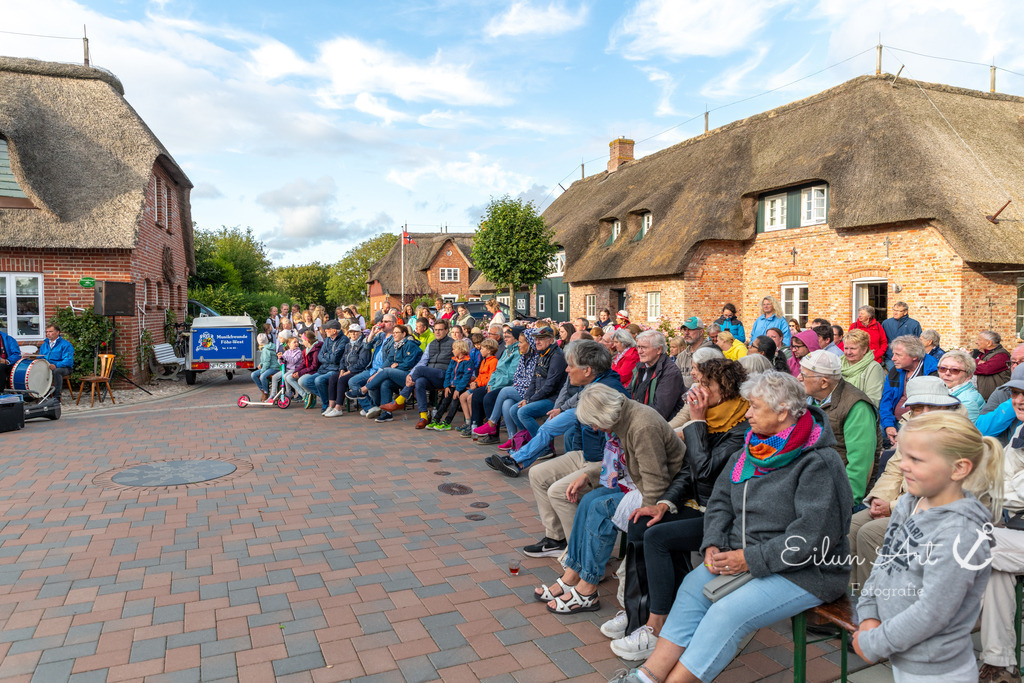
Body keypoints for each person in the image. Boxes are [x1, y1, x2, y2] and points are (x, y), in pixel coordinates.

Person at [610, 372, 853, 683]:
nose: (747, 413)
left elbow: (812, 537)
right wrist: (712, 542)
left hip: (805, 571)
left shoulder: (818, 462)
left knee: (726, 613)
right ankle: (646, 676)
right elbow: (721, 502)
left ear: (782, 412)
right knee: (691, 591)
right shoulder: (752, 449)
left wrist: (748, 559)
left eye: (755, 407)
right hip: (744, 556)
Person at [609, 359, 750, 659]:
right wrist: (663, 503)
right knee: (640, 525)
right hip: (696, 503)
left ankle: (657, 626)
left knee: (658, 538)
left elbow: (706, 471)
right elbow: (687, 472)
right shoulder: (713, 417)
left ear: (723, 390)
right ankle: (638, 611)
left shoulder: (740, 426)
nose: (696, 390)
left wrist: (696, 422)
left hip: (721, 514)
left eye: (705, 385)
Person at [854, 411, 1002, 682]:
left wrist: (874, 643)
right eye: (903, 456)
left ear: (958, 469)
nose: (902, 466)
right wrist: (869, 614)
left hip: (939, 670)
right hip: (904, 657)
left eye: (916, 459)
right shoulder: (911, 502)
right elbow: (885, 561)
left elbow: (933, 612)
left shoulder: (961, 533)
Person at [533, 383, 685, 616]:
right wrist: (589, 476)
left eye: (595, 421)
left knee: (600, 508)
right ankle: (572, 573)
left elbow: (657, 481)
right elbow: (625, 463)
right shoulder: (625, 417)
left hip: (660, 492)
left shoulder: (642, 426)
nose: (595, 427)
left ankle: (587, 588)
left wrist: (644, 518)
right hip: (639, 483)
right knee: (587, 501)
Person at [848, 376, 968, 590]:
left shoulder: (956, 436)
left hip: (935, 513)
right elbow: (895, 468)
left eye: (929, 406)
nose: (923, 412)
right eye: (917, 407)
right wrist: (880, 498)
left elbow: (939, 489)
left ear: (946, 406)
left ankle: (876, 606)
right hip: (902, 502)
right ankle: (849, 600)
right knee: (850, 526)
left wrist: (893, 507)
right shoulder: (912, 427)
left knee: (870, 534)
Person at [487, 340, 628, 478]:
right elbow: (574, 396)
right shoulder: (595, 383)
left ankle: (517, 460)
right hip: (576, 417)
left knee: (545, 430)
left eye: (571, 366)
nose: (567, 369)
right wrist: (560, 409)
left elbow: (603, 440)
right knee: (547, 427)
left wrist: (583, 471)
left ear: (587, 370)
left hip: (605, 466)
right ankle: (517, 461)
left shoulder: (604, 393)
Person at [977, 376, 1024, 683]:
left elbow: (1014, 495)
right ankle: (1001, 664)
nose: (1019, 400)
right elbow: (1000, 479)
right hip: (1017, 531)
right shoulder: (1021, 430)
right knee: (995, 572)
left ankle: (935, 629)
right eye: (1016, 393)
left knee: (972, 544)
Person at [798, 350, 881, 501]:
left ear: (824, 382)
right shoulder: (808, 398)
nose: (798, 378)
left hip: (835, 491)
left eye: (804, 375)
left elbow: (860, 465)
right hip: (811, 481)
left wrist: (845, 502)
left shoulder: (857, 406)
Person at [380, 319, 453, 427]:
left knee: (419, 370)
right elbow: (422, 362)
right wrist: (410, 375)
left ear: (446, 330)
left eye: (440, 330)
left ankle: (400, 399)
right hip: (431, 375)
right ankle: (423, 417)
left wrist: (451, 381)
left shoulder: (452, 343)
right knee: (419, 382)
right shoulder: (431, 345)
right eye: (435, 330)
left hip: (444, 375)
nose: (437, 332)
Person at [506, 327, 567, 443]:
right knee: (514, 409)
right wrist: (527, 398)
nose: (537, 342)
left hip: (554, 399)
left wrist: (530, 401)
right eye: (536, 339)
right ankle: (530, 441)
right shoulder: (542, 354)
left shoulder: (557, 357)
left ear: (551, 340)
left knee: (523, 412)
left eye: (541, 339)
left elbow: (550, 386)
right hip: (543, 396)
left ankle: (544, 446)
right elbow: (534, 380)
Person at [881, 335, 939, 445]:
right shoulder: (895, 371)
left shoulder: (932, 374)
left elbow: (930, 409)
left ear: (914, 356)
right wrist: (888, 425)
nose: (893, 358)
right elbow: (886, 400)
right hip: (893, 421)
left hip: (917, 425)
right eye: (893, 354)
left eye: (898, 355)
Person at [472, 327, 526, 444]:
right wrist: (491, 384)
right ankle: (475, 426)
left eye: (508, 337)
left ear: (516, 339)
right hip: (497, 383)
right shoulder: (507, 351)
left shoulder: (517, 353)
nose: (505, 338)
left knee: (489, 398)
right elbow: (497, 370)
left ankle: (493, 434)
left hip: (507, 384)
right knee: (476, 394)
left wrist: (494, 386)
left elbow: (510, 375)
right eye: (504, 336)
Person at [364, 324, 423, 423]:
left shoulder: (410, 344)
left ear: (404, 334)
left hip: (412, 375)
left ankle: (364, 389)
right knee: (385, 383)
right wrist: (379, 372)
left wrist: (395, 367)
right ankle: (386, 413)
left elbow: (408, 364)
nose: (394, 335)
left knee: (387, 371)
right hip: (400, 374)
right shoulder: (396, 345)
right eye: (393, 332)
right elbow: (389, 360)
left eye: (396, 333)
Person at [630, 330, 684, 421]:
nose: (639, 351)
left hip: (660, 426)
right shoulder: (641, 366)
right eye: (638, 347)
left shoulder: (670, 372)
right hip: (640, 419)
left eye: (643, 347)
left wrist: (633, 420)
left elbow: (660, 410)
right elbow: (629, 392)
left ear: (659, 349)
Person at [426, 339, 475, 430]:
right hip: (451, 386)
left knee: (454, 404)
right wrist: (446, 386)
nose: (452, 351)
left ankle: (447, 422)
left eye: (454, 349)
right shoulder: (453, 360)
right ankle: (436, 419)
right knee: (444, 402)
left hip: (460, 388)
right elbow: (448, 373)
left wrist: (458, 389)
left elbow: (466, 377)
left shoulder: (468, 361)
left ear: (460, 350)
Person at [299, 319, 346, 412]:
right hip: (324, 368)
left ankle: (326, 403)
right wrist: (329, 355)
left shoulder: (343, 340)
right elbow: (321, 355)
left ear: (334, 330)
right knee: (305, 381)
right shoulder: (328, 339)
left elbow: (336, 358)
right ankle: (329, 400)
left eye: (327, 329)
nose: (325, 331)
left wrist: (327, 356)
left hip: (335, 369)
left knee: (319, 380)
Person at [456, 338, 498, 435]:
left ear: (489, 350)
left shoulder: (494, 361)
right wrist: (474, 382)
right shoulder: (484, 361)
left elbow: (491, 378)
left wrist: (477, 384)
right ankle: (469, 421)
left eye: (482, 348)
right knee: (463, 397)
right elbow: (480, 375)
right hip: (478, 385)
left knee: (471, 398)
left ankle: (474, 423)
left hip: (485, 386)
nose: (480, 350)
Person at [841, 328, 885, 407]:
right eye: (846, 348)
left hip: (859, 411)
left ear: (864, 350)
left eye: (853, 348)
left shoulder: (873, 368)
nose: (848, 352)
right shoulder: (837, 363)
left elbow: (873, 399)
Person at [937, 350, 986, 421]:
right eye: (943, 368)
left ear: (968, 376)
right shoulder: (944, 390)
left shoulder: (967, 402)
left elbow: (963, 431)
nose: (947, 373)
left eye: (955, 370)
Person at [980, 344, 1024, 415]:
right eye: (1013, 362)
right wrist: (1012, 403)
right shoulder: (1002, 392)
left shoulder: (1000, 354)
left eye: (1022, 362)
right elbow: (982, 424)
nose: (1015, 366)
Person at [675, 317, 715, 391]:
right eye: (685, 330)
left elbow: (702, 380)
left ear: (701, 332)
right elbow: (673, 378)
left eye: (690, 329)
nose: (686, 333)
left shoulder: (709, 352)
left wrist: (680, 379)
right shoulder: (681, 355)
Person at [38, 323, 75, 400]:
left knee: (56, 371)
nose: (48, 334)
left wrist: (56, 365)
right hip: (48, 367)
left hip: (64, 368)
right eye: (47, 332)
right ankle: (39, 394)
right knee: (35, 369)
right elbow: (40, 357)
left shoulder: (66, 345)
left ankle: (56, 397)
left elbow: (68, 361)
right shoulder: (44, 345)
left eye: (50, 331)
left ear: (57, 332)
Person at [974, 330, 1013, 402]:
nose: (976, 342)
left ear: (989, 343)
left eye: (979, 340)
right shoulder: (983, 354)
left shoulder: (1002, 355)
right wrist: (978, 362)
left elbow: (985, 369)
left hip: (996, 399)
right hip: (984, 397)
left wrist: (972, 362)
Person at [881, 301, 922, 367]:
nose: (895, 312)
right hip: (890, 358)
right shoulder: (886, 323)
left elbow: (919, 343)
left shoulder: (914, 324)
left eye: (898, 311)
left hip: (908, 358)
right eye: (894, 310)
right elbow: (881, 340)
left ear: (905, 312)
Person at [251, 333, 276, 399]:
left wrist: (262, 371)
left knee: (262, 376)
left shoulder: (265, 350)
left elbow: (267, 363)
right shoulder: (266, 348)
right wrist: (261, 364)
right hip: (269, 367)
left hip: (273, 367)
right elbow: (265, 360)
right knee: (253, 374)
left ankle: (266, 392)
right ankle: (262, 389)